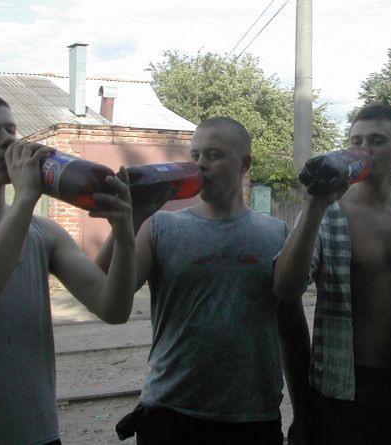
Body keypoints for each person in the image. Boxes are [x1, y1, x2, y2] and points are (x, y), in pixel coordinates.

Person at [0, 91, 138, 445]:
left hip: (37, 433)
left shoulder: (44, 231)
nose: (7, 142)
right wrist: (27, 197)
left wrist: (124, 234)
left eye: (10, 130)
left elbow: (113, 309)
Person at [112, 116, 304, 445]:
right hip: (169, 414)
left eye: (214, 155)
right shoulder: (159, 227)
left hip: (252, 418)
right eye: (195, 155)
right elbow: (111, 292)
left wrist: (303, 414)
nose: (200, 165)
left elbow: (292, 331)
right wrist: (128, 217)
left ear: (244, 164)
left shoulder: (277, 234)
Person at [274, 104, 391, 445]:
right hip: (342, 392)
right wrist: (314, 206)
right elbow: (285, 288)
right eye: (356, 141)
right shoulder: (328, 213)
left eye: (376, 141)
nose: (364, 149)